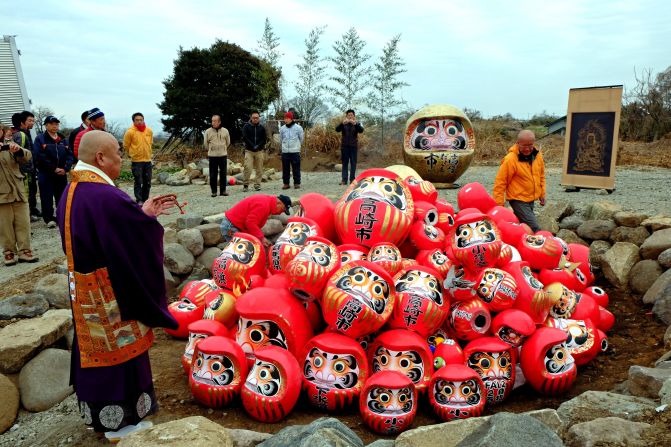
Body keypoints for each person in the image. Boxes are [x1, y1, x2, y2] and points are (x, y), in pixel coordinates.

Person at [56, 130, 181, 440]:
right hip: (109, 291)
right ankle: (123, 424)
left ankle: (100, 417)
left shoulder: (72, 190)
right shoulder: (105, 195)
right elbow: (134, 238)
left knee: (94, 354)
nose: (121, 159)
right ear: (100, 157)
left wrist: (140, 214)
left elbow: (111, 232)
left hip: (84, 286)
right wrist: (147, 222)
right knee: (120, 353)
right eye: (117, 153)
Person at [493, 130, 546, 233]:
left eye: (530, 145)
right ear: (518, 143)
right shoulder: (510, 159)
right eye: (524, 146)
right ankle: (543, 244)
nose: (527, 149)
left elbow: (541, 176)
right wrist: (499, 206)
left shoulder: (537, 155)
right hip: (518, 200)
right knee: (534, 228)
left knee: (523, 227)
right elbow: (500, 183)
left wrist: (542, 194)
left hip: (530, 199)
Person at [0, 125, 38, 265]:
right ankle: (9, 252)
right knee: (5, 226)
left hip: (18, 191)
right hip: (1, 194)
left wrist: (18, 151)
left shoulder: (8, 144)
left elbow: (27, 156)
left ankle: (25, 251)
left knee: (23, 223)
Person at [33, 116, 74, 228]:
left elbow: (70, 155)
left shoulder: (62, 139)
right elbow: (39, 156)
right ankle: (49, 218)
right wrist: (53, 168)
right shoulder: (40, 139)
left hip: (61, 174)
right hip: (46, 173)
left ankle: (62, 217)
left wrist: (65, 168)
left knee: (61, 196)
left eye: (56, 124)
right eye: (52, 124)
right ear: (46, 125)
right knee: (46, 196)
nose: (55, 126)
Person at [220, 194, 292, 248]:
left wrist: (258, 238)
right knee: (239, 251)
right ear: (279, 203)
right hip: (231, 226)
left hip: (235, 225)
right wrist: (261, 238)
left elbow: (251, 224)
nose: (280, 213)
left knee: (245, 250)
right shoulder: (264, 205)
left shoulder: (267, 202)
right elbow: (250, 223)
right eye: (282, 210)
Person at [12, 111, 41, 221]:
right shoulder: (20, 135)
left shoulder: (26, 133)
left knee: (32, 190)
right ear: (22, 123)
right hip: (25, 171)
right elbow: (19, 154)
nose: (32, 123)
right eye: (29, 120)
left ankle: (32, 210)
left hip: (30, 169)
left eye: (33, 120)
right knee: (27, 192)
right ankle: (27, 215)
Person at [123, 112, 154, 205]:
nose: (139, 122)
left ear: (143, 120)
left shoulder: (149, 131)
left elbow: (151, 143)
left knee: (147, 182)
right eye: (137, 120)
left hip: (148, 160)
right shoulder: (130, 132)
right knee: (138, 181)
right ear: (133, 121)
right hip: (137, 161)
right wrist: (132, 154)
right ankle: (139, 200)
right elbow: (126, 145)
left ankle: (146, 199)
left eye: (141, 120)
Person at [335, 109, 364, 185]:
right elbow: (337, 130)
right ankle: (344, 180)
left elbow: (361, 130)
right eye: (349, 115)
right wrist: (341, 123)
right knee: (345, 163)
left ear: (354, 116)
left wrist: (356, 124)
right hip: (344, 146)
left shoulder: (357, 124)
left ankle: (352, 180)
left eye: (352, 115)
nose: (350, 117)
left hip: (353, 146)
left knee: (353, 163)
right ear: (346, 116)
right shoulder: (344, 124)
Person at [203, 115, 230, 197]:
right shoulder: (208, 131)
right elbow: (205, 144)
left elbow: (228, 142)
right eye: (212, 121)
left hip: (223, 155)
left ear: (219, 122)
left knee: (223, 173)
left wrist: (223, 148)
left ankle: (223, 191)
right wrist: (211, 150)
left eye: (215, 121)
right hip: (212, 156)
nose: (213, 122)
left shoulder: (225, 131)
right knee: (213, 174)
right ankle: (214, 191)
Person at [241, 111, 268, 192]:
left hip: (259, 150)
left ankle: (257, 184)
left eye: (257, 117)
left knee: (259, 168)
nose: (255, 119)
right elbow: (245, 137)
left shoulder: (262, 127)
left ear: (259, 118)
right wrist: (253, 145)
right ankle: (245, 185)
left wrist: (258, 145)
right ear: (251, 118)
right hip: (249, 150)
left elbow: (264, 138)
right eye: (254, 118)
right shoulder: (246, 127)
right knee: (248, 167)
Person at [279, 111, 303, 190]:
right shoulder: (282, 128)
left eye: (288, 118)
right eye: (285, 118)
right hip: (285, 151)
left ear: (292, 119)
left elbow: (301, 138)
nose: (286, 120)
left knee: (296, 168)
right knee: (285, 168)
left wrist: (297, 146)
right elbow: (281, 139)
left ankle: (297, 183)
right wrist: (284, 147)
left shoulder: (298, 128)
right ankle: (286, 183)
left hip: (295, 151)